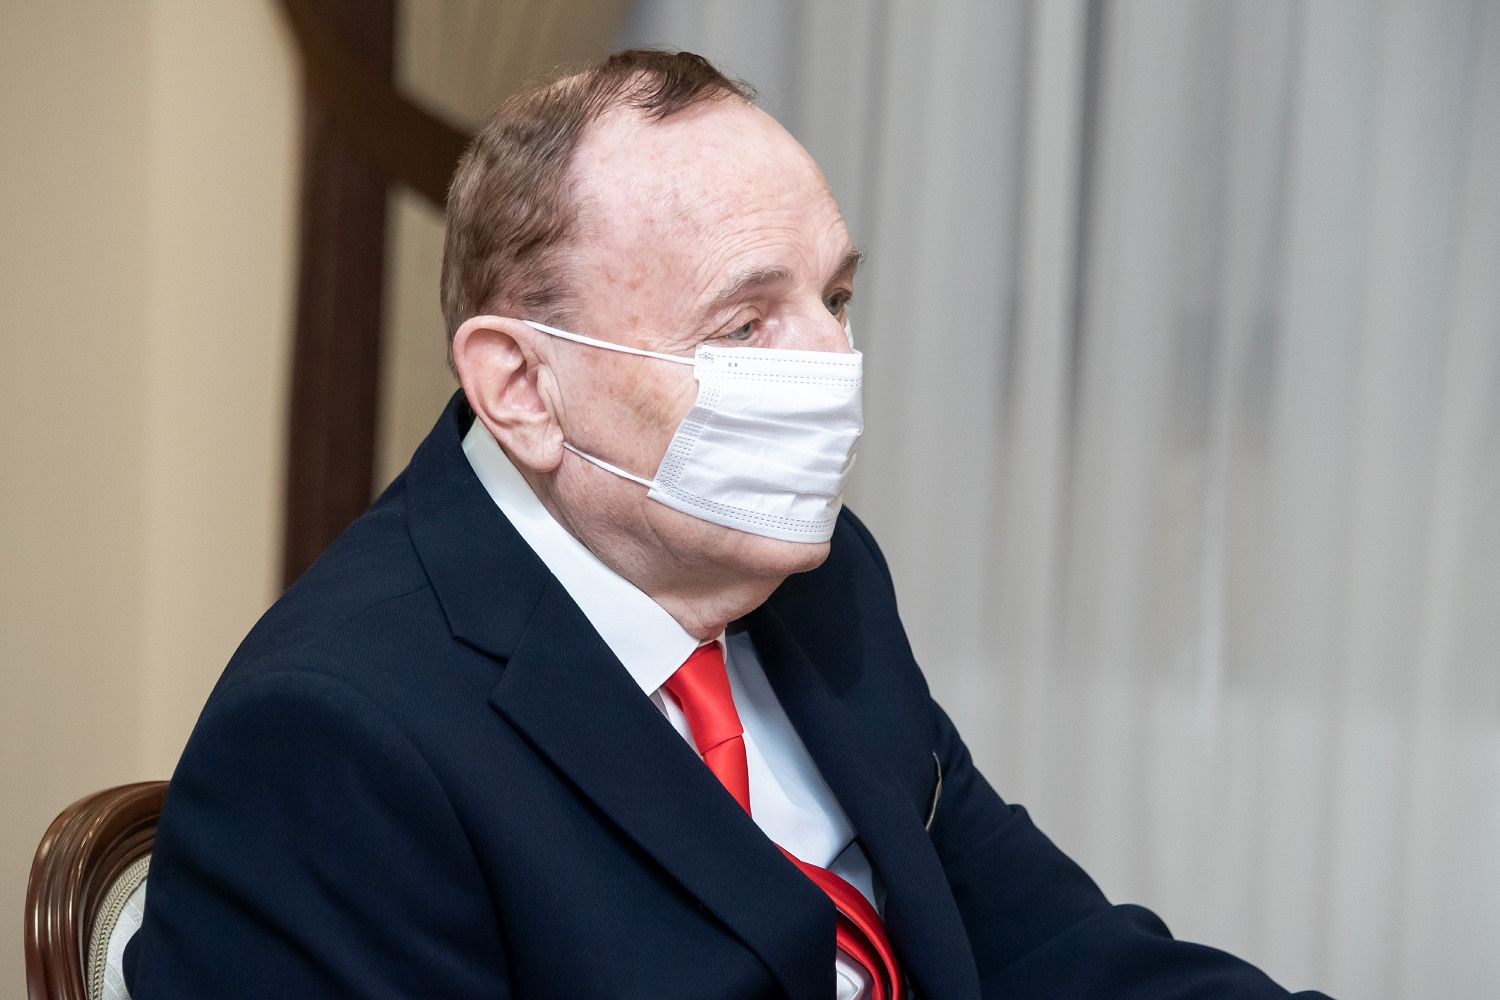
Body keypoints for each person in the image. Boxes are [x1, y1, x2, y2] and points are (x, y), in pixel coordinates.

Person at [125, 50, 1332, 999]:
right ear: (523, 387)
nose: (832, 362)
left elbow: (1042, 943)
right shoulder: (335, 738)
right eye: (746, 322)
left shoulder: (818, 579)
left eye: (835, 295)